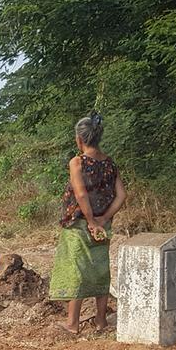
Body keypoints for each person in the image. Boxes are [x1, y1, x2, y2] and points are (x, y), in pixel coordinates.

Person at [49, 113, 127, 334]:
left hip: (80, 224)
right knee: (101, 269)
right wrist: (103, 219)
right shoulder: (110, 163)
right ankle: (101, 321)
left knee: (77, 270)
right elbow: (121, 195)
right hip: (103, 226)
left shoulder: (77, 162)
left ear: (79, 139)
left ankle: (72, 324)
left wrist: (91, 221)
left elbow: (81, 194)